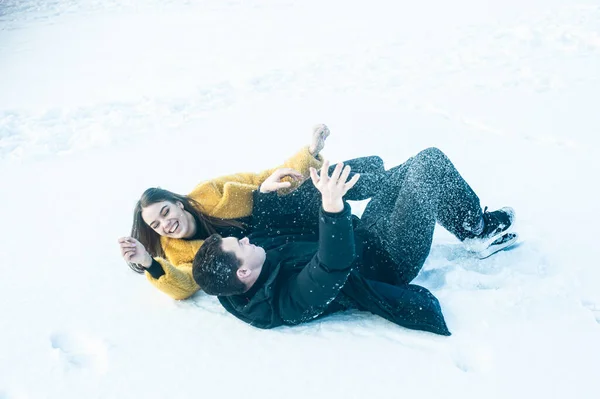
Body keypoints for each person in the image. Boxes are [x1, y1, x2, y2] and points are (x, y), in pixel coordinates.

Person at [192, 148, 518, 335]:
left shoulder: (238, 273)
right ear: (244, 274)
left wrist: (265, 195)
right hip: (389, 261)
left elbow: (265, 228)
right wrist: (332, 209)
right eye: (240, 246)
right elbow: (331, 267)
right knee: (427, 168)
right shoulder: (287, 301)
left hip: (366, 235)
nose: (246, 239)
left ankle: (470, 224)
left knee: (418, 165)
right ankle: (477, 231)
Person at [118, 124, 386, 300]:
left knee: (352, 172)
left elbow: (263, 178)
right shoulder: (179, 252)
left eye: (165, 212)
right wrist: (149, 263)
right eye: (156, 225)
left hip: (279, 214)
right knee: (325, 192)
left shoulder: (209, 192)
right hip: (284, 238)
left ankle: (386, 179)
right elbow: (184, 285)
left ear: (178, 203)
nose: (166, 224)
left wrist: (310, 152)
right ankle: (393, 182)